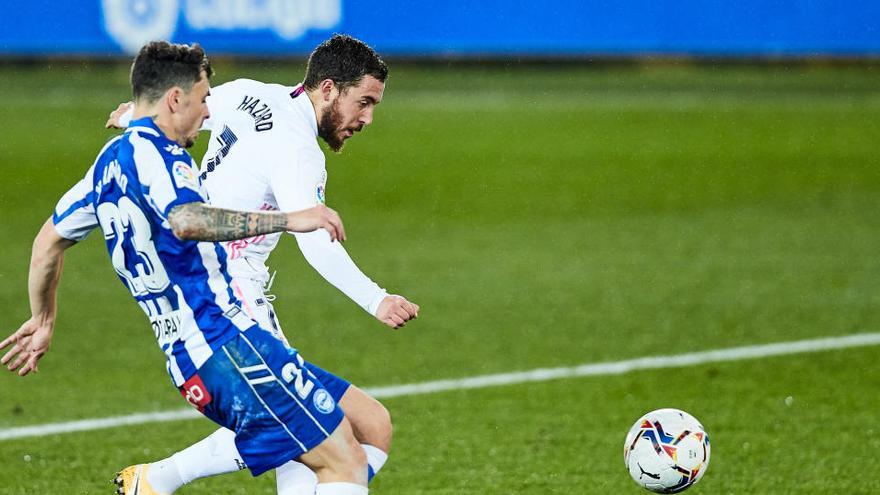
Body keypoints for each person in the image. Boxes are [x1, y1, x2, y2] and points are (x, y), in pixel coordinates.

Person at [0, 41, 372, 495]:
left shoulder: (105, 168)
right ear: (175, 100)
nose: (205, 113)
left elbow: (45, 246)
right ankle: (156, 481)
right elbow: (188, 220)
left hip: (188, 358)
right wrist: (290, 218)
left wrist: (43, 319)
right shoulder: (165, 160)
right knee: (346, 462)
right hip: (227, 341)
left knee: (333, 444)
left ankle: (154, 482)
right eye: (201, 100)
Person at [104, 34, 419, 494]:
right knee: (327, 436)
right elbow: (315, 241)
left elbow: (180, 111)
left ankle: (155, 480)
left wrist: (131, 114)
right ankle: (158, 479)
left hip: (214, 290)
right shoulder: (298, 150)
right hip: (231, 303)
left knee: (366, 427)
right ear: (328, 88)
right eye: (364, 102)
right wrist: (376, 299)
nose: (367, 118)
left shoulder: (249, 93)